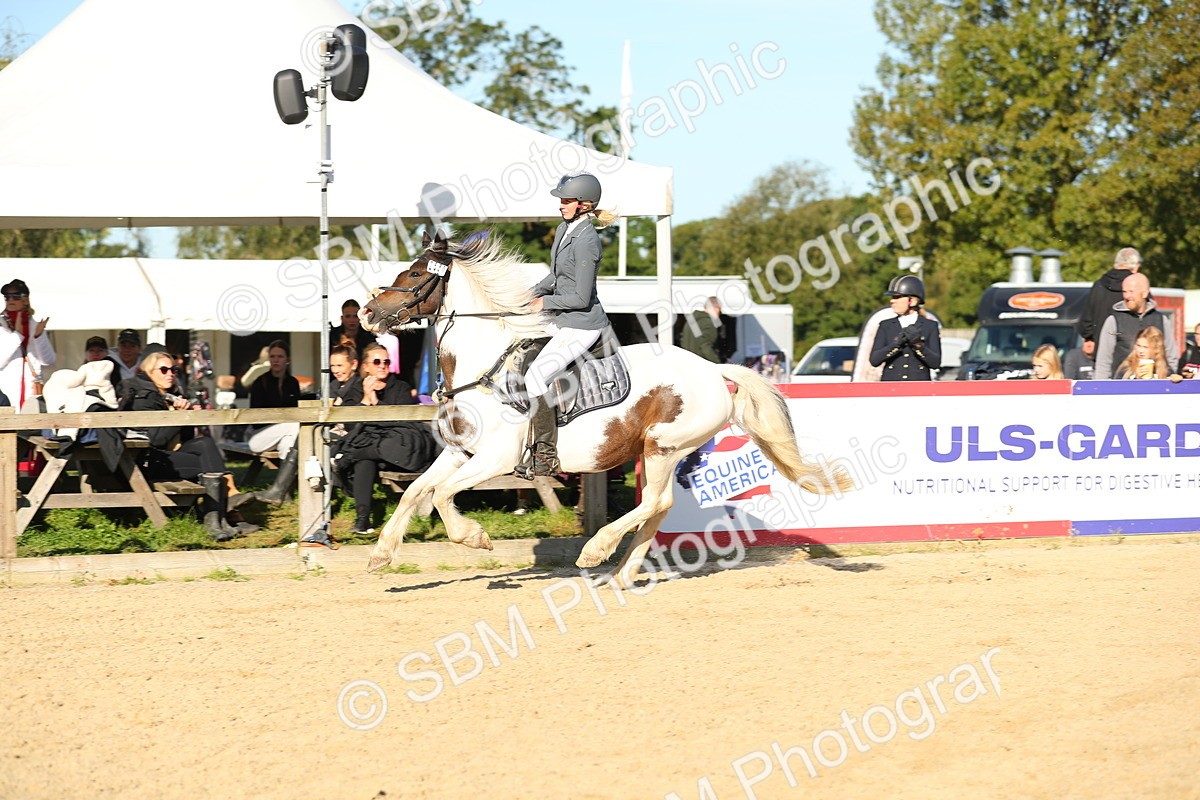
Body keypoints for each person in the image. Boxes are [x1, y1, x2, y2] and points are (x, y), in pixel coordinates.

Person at [516, 172, 617, 479]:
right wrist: (528, 293)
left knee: (536, 377)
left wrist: (544, 303)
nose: (560, 205)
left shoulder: (587, 240)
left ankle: (545, 456)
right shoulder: (564, 229)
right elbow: (556, 277)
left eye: (566, 200)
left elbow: (580, 296)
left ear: (584, 205)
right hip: (563, 319)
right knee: (518, 349)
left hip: (583, 324)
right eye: (561, 200)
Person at [120, 351, 259, 541]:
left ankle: (227, 504)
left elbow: (184, 438)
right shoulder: (144, 398)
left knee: (204, 443)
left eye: (173, 369)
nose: (170, 373)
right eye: (163, 369)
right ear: (149, 372)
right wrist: (179, 416)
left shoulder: (170, 395)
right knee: (209, 463)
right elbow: (156, 439)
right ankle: (224, 515)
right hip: (150, 461)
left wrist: (187, 416)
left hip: (167, 456)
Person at [330, 342, 434, 534]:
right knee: (365, 460)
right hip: (370, 451)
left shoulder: (400, 387)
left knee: (363, 453)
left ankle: (350, 459)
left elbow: (402, 424)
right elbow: (349, 425)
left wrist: (376, 402)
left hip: (397, 453)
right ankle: (363, 519)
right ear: (366, 366)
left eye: (386, 361)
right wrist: (364, 400)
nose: (382, 365)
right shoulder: (354, 390)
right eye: (377, 361)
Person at [245, 340, 301, 507]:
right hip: (259, 436)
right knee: (294, 427)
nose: (276, 360)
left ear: (287, 359)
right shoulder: (260, 382)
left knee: (288, 442)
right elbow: (255, 419)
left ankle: (283, 491)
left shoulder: (292, 383)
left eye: (280, 356)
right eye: (273, 356)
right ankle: (280, 489)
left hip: (284, 435)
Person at [1093, 272, 1179, 379]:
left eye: (1131, 291)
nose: (1127, 296)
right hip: (1122, 387)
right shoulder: (1113, 320)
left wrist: (1169, 380)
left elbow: (1171, 356)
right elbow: (1103, 360)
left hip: (1156, 389)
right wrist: (1101, 388)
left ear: (1144, 293)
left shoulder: (1161, 320)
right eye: (1124, 291)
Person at [868, 275, 941, 381]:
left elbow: (935, 363)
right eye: (893, 298)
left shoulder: (930, 326)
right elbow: (874, 360)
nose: (892, 301)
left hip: (918, 387)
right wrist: (896, 344)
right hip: (891, 386)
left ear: (912, 301)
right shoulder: (886, 325)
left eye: (897, 297)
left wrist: (918, 345)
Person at [0, 278, 55, 410]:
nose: (10, 300)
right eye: (7, 297)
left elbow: (48, 361)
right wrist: (17, 336)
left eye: (16, 296)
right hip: (7, 392)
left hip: (31, 393)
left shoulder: (34, 325)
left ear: (25, 299)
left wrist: (38, 336)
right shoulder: (1, 325)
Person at [1077, 246, 1141, 342]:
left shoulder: (1099, 285)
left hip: (1101, 349)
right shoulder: (1138, 285)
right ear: (1135, 266)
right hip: (1130, 350)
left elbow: (1086, 325)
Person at [679, 296, 722, 363]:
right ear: (716, 308)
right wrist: (717, 364)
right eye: (719, 310)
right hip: (700, 365)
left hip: (686, 363)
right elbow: (705, 346)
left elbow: (683, 341)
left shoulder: (691, 321)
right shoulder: (709, 323)